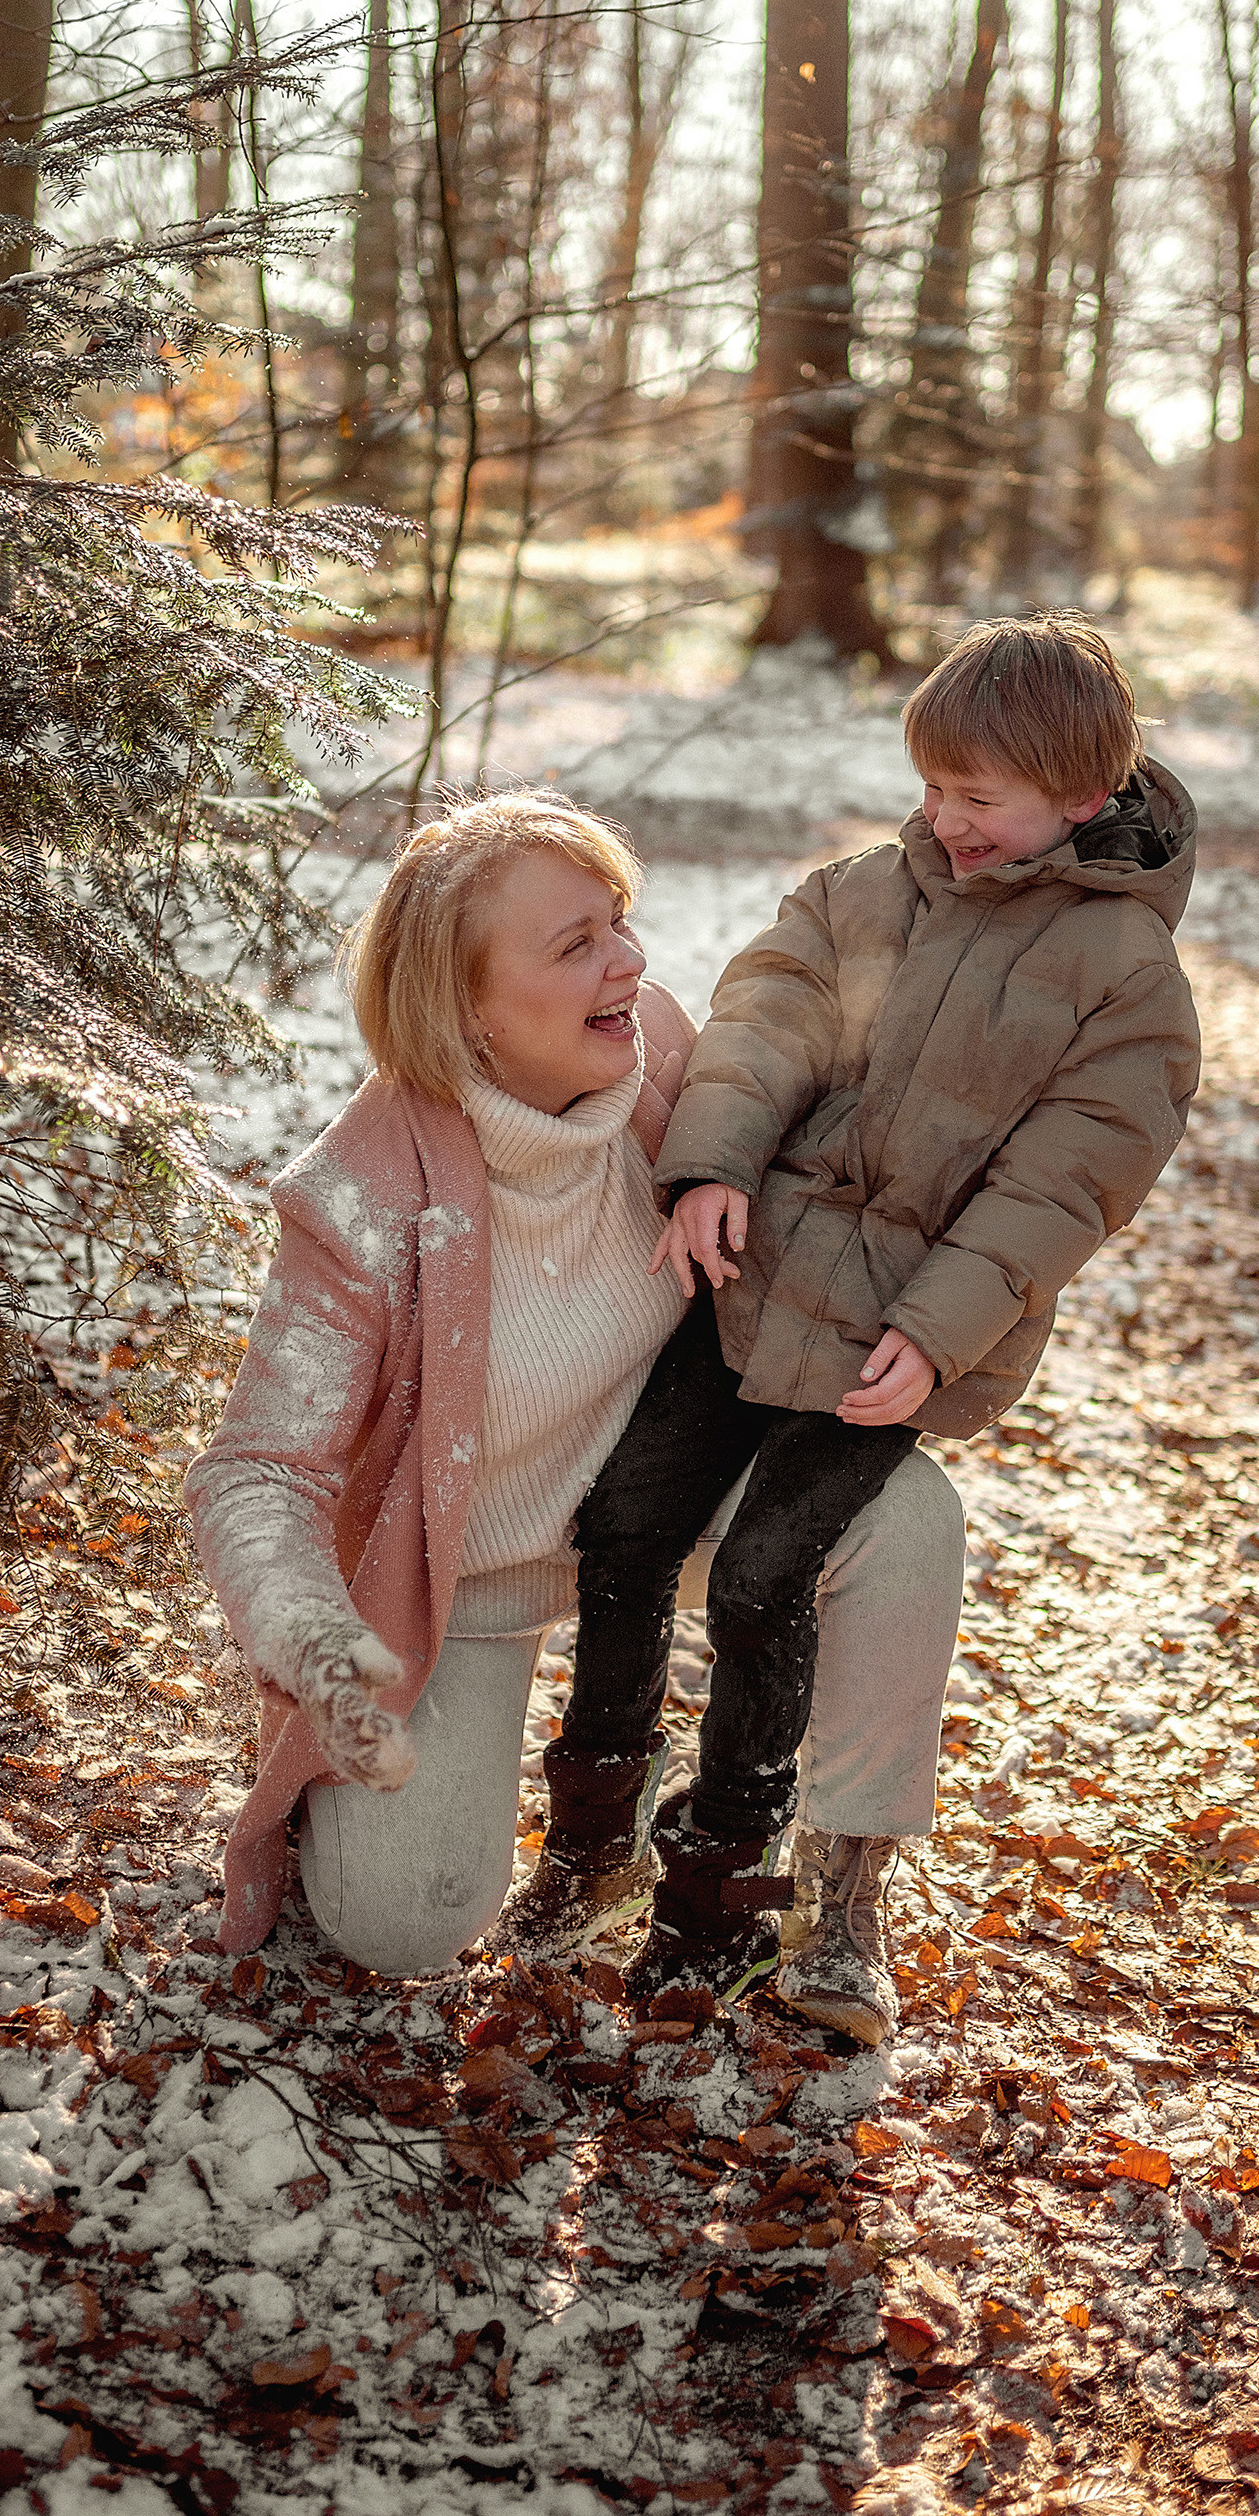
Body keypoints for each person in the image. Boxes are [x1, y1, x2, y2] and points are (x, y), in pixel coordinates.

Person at [182, 790, 967, 2043]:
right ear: (468, 1013)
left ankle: (842, 1886)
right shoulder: (361, 1198)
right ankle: (397, 1772)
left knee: (903, 1513)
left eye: (619, 922)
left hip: (653, 1514)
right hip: (465, 1588)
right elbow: (252, 1472)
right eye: (575, 945)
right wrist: (320, 1646)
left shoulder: (658, 1056)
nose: (632, 961)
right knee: (404, 1920)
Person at [537, 615, 1202, 2006]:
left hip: (895, 1339)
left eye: (979, 800)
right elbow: (764, 1021)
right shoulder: (857, 892)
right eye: (933, 788)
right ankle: (590, 1835)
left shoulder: (1127, 978)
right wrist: (708, 1166)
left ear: (1085, 799)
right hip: (753, 1286)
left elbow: (1064, 1186)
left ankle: (724, 1889)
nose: (943, 822)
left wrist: (942, 1331)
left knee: (775, 1572)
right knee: (627, 1522)